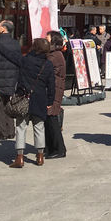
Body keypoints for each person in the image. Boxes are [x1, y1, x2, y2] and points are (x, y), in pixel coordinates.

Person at [7, 38, 56, 169]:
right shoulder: (48, 64)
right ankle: (40, 156)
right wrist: (50, 101)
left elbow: (9, 55)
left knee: (21, 127)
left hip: (23, 99)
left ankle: (19, 157)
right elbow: (51, 85)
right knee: (39, 127)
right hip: (40, 99)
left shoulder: (25, 60)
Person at [44, 31, 67, 159]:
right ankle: (50, 147)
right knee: (48, 119)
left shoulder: (55, 55)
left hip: (54, 89)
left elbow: (45, 69)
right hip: (51, 88)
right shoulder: (52, 54)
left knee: (52, 119)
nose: (45, 39)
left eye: (47, 37)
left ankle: (59, 149)